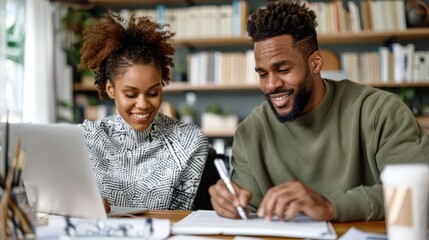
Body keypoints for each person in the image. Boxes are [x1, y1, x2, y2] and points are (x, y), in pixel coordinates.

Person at [209, 0, 429, 222]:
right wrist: (231, 206)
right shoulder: (250, 133)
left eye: (283, 69)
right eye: (263, 74)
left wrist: (331, 206)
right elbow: (250, 216)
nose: (270, 85)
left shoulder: (380, 111)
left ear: (315, 63)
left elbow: (420, 192)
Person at [78, 11, 209, 211]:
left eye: (153, 93)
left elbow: (181, 216)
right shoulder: (86, 138)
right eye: (131, 94)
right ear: (110, 89)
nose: (143, 104)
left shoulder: (189, 140)